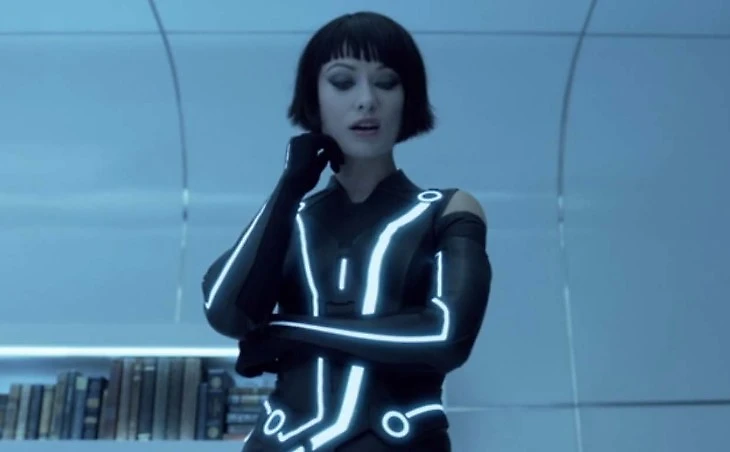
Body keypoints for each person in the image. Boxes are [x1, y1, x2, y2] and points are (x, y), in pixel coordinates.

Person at [202, 11, 492, 452]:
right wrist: (289, 187)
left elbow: (444, 339)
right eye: (342, 82)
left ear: (408, 97)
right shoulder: (293, 216)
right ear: (313, 98)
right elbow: (227, 314)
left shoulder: (446, 209)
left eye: (386, 82)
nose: (367, 101)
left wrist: (288, 330)